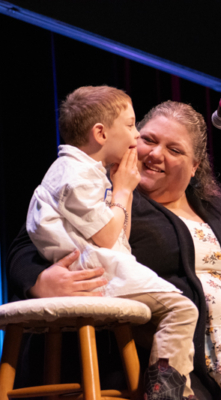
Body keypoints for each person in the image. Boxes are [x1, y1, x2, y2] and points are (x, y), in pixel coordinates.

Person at [7, 100, 221, 400]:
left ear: (195, 166)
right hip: (166, 363)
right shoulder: (100, 192)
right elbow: (27, 240)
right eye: (148, 139)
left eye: (174, 150)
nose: (155, 154)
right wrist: (40, 281)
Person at [25, 87, 199, 400]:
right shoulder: (74, 174)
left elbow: (120, 237)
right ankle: (168, 396)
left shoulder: (94, 173)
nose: (136, 137)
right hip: (93, 273)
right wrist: (120, 192)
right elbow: (108, 237)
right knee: (181, 309)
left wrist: (124, 190)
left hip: (105, 266)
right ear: (101, 133)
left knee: (174, 314)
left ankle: (173, 392)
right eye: (134, 128)